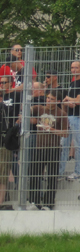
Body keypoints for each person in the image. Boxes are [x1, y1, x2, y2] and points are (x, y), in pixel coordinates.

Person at [30, 92, 68, 210]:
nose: (48, 100)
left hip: (53, 148)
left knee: (52, 176)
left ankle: (48, 203)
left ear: (58, 101)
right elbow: (28, 109)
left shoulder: (61, 114)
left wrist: (51, 129)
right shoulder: (40, 108)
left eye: (52, 99)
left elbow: (65, 133)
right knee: (34, 175)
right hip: (39, 148)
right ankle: (34, 201)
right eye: (47, 98)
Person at [60, 60, 80, 181]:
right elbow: (69, 102)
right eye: (72, 68)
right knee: (64, 145)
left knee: (78, 145)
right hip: (69, 117)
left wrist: (68, 98)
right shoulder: (72, 83)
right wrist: (68, 101)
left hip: (78, 117)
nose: (74, 70)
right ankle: (59, 172)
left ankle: (78, 172)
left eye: (76, 67)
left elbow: (78, 101)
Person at [0, 76, 15, 210]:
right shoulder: (6, 108)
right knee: (3, 175)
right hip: (5, 144)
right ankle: (4, 202)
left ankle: (2, 203)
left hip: (3, 145)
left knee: (3, 174)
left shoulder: (4, 108)